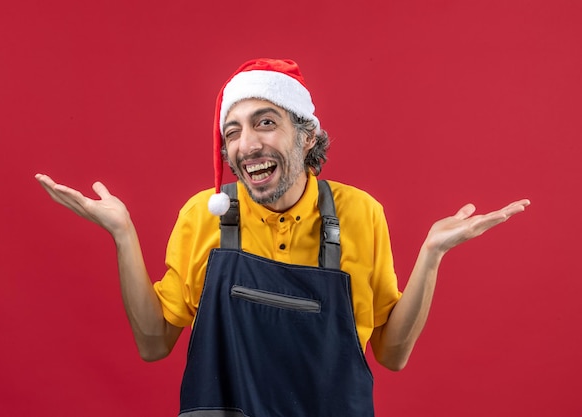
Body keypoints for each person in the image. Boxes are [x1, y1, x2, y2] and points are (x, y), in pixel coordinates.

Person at [35, 58, 530, 417]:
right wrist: (123, 235)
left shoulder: (359, 214)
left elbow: (392, 355)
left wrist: (431, 255)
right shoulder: (204, 216)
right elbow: (153, 343)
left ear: (307, 135)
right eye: (232, 131)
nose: (247, 143)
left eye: (265, 123)